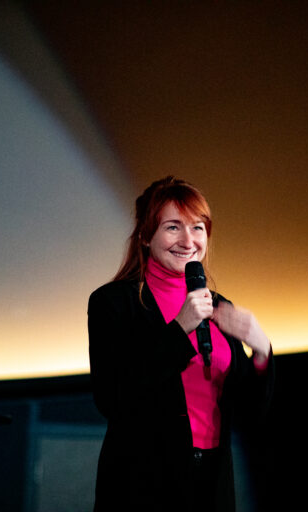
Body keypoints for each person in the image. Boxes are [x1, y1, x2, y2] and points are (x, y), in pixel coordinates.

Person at [88, 176, 274, 511]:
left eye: (198, 228)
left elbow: (251, 415)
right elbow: (113, 399)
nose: (188, 240)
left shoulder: (219, 306)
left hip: (212, 482)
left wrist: (261, 351)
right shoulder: (113, 302)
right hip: (142, 483)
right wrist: (180, 329)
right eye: (173, 227)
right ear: (146, 235)